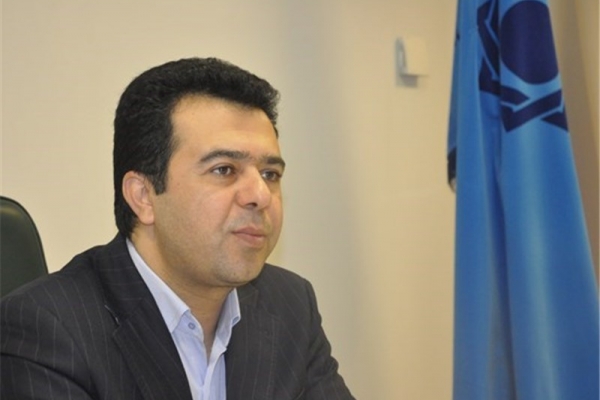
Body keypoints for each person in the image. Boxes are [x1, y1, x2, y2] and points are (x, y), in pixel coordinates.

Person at [1, 57, 355, 400]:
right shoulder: (47, 327)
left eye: (270, 174)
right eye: (224, 170)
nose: (260, 195)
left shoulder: (290, 303)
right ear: (143, 196)